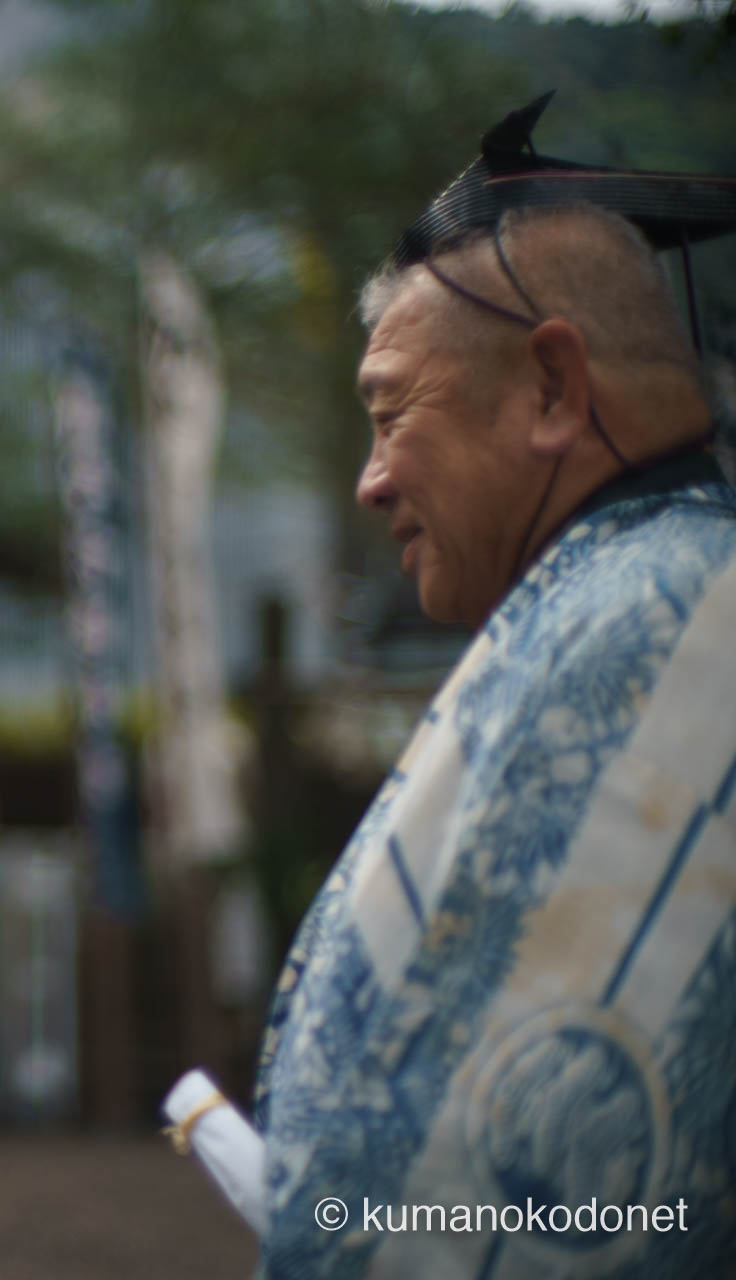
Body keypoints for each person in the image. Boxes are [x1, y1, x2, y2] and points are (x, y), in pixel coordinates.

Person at [251, 96, 736, 1276]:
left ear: (554, 388)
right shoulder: (633, 597)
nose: (370, 480)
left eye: (391, 412)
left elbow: (506, 1211)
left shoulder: (665, 630)